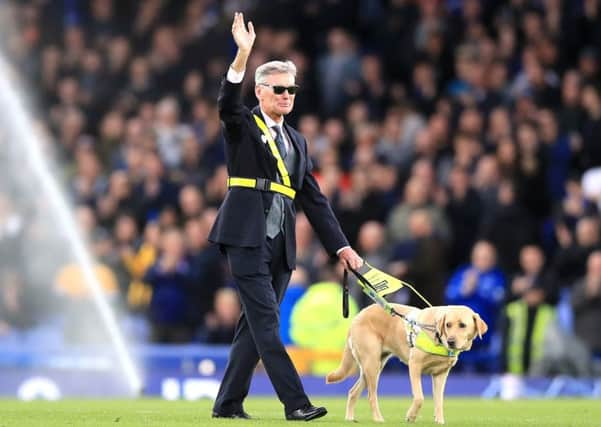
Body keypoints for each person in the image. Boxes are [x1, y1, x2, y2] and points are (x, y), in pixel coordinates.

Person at [208, 13, 363, 421]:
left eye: (291, 89)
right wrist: (242, 55)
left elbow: (314, 199)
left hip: (280, 243)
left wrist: (342, 247)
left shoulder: (297, 140)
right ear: (259, 91)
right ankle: (296, 403)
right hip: (245, 235)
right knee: (265, 324)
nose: (287, 95)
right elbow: (226, 102)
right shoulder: (242, 123)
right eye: (279, 89)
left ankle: (227, 405)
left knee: (252, 329)